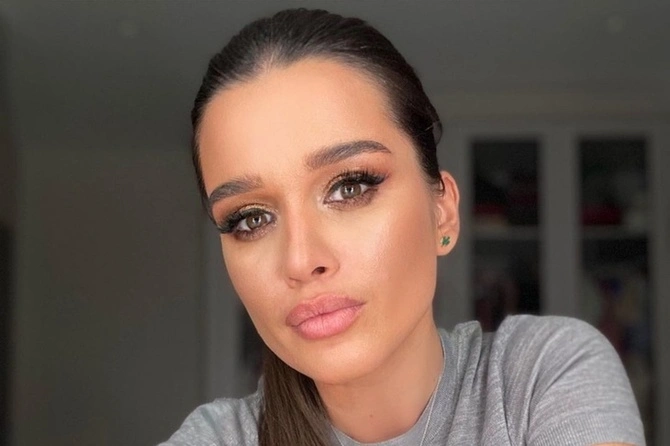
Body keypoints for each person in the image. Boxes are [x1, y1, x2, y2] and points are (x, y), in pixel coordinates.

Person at [160, 8, 644, 446]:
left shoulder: (542, 374)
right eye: (251, 219)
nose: (301, 260)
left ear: (442, 211)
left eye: (349, 187)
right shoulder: (218, 438)